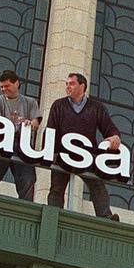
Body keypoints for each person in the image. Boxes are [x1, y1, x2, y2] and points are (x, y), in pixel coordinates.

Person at [46, 73, 121, 221]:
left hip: (86, 155)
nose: (68, 86)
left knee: (97, 185)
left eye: (72, 83)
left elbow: (109, 127)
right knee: (57, 188)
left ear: (82, 86)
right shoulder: (58, 105)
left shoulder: (96, 108)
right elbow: (51, 130)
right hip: (63, 154)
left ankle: (106, 217)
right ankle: (52, 216)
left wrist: (115, 136)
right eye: (67, 83)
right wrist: (50, 153)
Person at [0, 70, 40, 201]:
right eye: (2, 86)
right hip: (1, 143)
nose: (4, 89)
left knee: (27, 181)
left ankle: (25, 212)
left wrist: (30, 123)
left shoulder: (30, 102)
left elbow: (36, 122)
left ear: (17, 83)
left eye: (7, 86)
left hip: (23, 145)